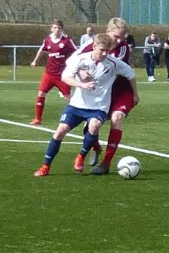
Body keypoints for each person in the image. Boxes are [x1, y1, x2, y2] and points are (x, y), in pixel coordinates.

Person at [34, 33, 137, 177]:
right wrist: (81, 84)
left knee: (94, 126)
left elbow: (131, 75)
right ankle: (45, 166)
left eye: (107, 51)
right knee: (60, 131)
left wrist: (135, 94)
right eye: (101, 50)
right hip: (77, 105)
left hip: (98, 107)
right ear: (94, 46)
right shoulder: (81, 59)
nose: (104, 53)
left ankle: (81, 156)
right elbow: (65, 77)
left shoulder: (113, 63)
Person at [67, 17, 140, 175]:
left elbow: (111, 68)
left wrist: (135, 94)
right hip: (101, 92)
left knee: (117, 117)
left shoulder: (123, 48)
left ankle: (106, 163)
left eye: (122, 37)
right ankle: (96, 146)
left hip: (121, 91)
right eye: (117, 36)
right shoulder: (93, 44)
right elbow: (72, 60)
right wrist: (79, 72)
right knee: (91, 125)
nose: (120, 40)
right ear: (107, 32)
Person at [30, 19, 77, 125]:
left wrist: (72, 62)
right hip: (49, 74)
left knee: (68, 98)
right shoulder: (47, 40)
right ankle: (38, 119)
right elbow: (42, 50)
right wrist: (35, 61)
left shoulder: (67, 41)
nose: (57, 30)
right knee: (41, 93)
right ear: (51, 28)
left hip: (62, 75)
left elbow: (77, 52)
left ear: (62, 29)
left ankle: (80, 114)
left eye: (59, 28)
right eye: (55, 28)